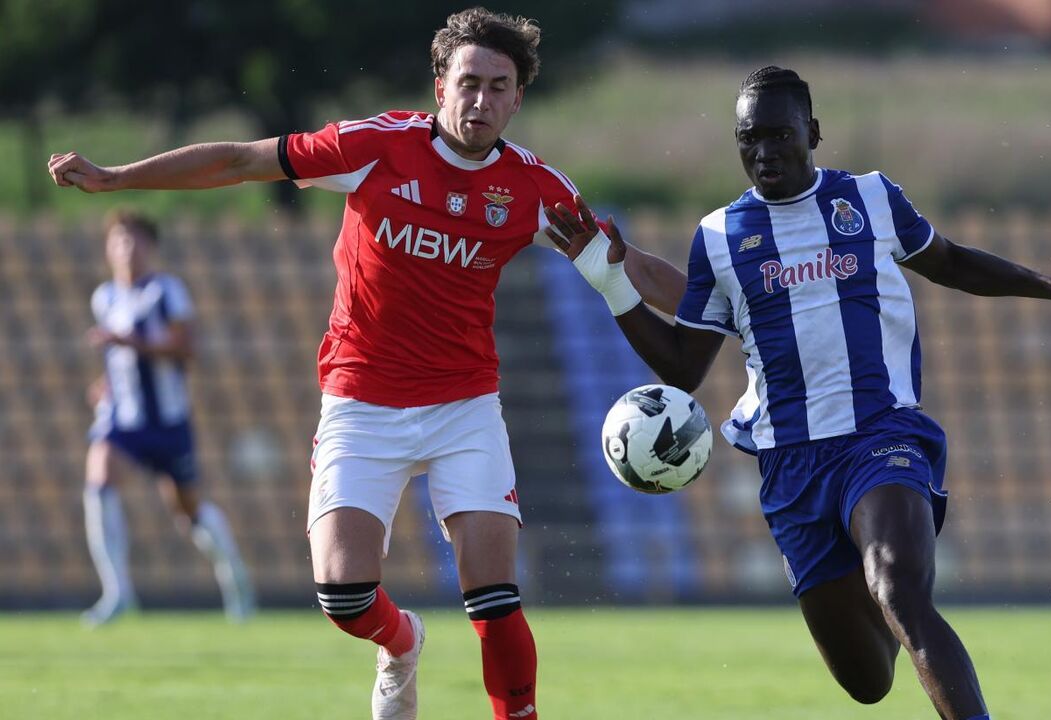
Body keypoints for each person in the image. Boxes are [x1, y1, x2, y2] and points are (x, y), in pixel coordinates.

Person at [49, 8, 683, 720]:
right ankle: (402, 640)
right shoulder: (374, 145)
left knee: (495, 596)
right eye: (468, 82)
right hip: (361, 399)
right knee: (344, 595)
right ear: (439, 85)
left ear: (517, 99)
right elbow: (240, 160)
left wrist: (729, 309)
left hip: (464, 406)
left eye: (498, 87)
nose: (481, 100)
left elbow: (625, 264)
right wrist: (115, 179)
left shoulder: (533, 188)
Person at [546, 66, 1051, 720]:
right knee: (868, 681)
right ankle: (898, 620)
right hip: (791, 465)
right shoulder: (719, 237)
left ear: (812, 132)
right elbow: (681, 368)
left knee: (898, 590)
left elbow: (953, 262)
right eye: (748, 139)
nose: (764, 152)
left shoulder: (870, 199)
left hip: (881, 436)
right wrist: (610, 283)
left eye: (779, 135)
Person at [81, 209, 255, 626]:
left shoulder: (166, 291)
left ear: (151, 246)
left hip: (168, 422)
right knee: (99, 478)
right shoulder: (104, 297)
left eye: (135, 239)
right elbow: (117, 358)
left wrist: (130, 342)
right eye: (119, 239)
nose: (127, 247)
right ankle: (117, 590)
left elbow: (186, 347)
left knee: (188, 513)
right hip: (123, 420)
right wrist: (105, 383)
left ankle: (236, 581)